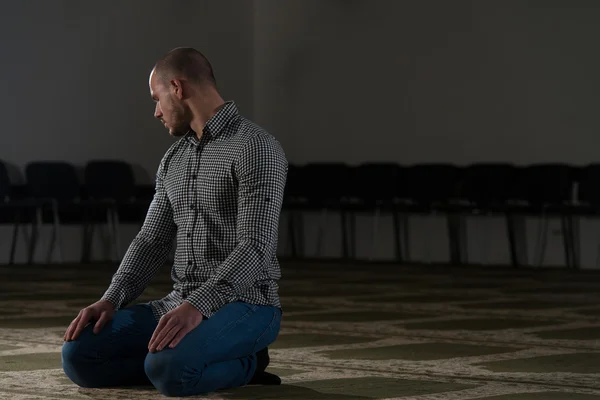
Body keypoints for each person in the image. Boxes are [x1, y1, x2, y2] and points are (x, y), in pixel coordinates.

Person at [61, 47, 287, 397]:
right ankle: (186, 358)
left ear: (177, 88)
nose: (156, 111)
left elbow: (256, 247)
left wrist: (199, 305)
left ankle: (250, 362)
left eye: (157, 98)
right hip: (178, 302)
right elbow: (151, 240)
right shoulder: (173, 159)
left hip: (248, 305)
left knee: (169, 370)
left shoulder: (256, 147)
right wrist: (110, 300)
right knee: (79, 356)